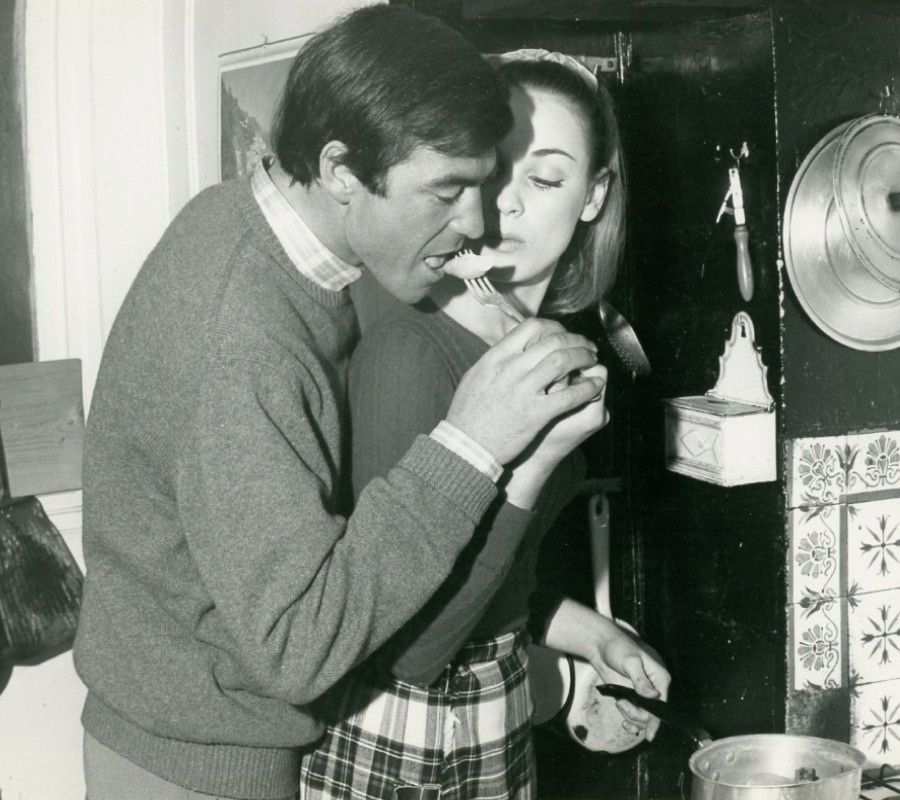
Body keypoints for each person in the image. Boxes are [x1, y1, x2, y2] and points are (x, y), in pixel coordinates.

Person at [72, 11, 610, 800]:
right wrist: (470, 444)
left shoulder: (234, 221)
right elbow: (297, 648)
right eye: (447, 191)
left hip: (179, 736)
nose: (476, 221)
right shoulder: (247, 337)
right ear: (342, 171)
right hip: (195, 767)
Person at [298, 50, 671, 800]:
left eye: (546, 179)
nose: (506, 204)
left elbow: (495, 581)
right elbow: (412, 650)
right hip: (394, 740)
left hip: (493, 717)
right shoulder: (411, 351)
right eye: (492, 171)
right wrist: (536, 466)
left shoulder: (531, 346)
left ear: (594, 196)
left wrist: (590, 633)